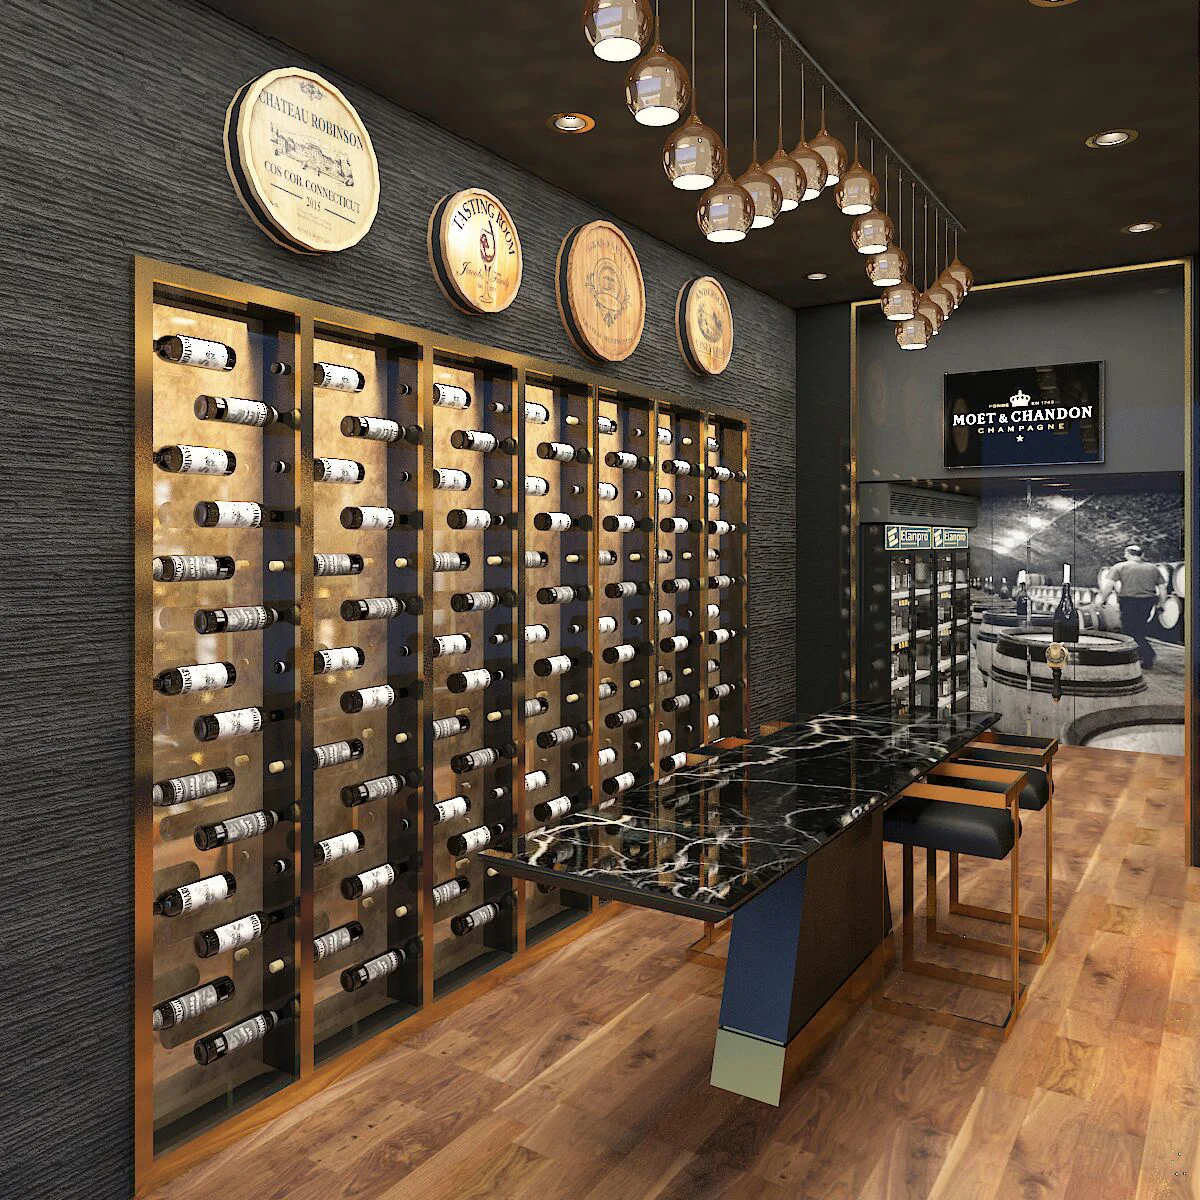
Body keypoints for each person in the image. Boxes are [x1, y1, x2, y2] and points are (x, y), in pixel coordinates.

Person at [1095, 545, 1166, 668]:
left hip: (1129, 601)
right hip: (1148, 601)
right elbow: (1162, 588)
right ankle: (1140, 654)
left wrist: (1102, 600)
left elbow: (1109, 586)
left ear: (1127, 554)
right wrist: (1162, 604)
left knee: (1129, 629)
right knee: (1140, 627)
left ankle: (1147, 653)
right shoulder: (1153, 568)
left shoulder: (1120, 566)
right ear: (1142, 555)